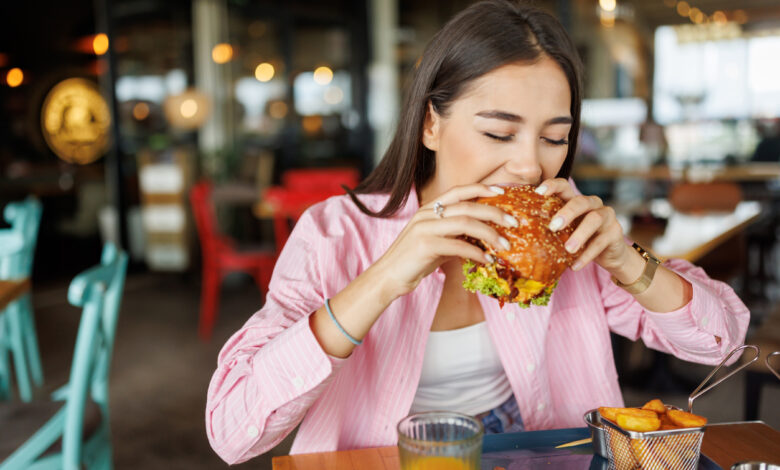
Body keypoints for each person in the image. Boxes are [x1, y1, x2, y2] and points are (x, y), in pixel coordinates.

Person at [205, 0, 749, 464]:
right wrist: (387, 275)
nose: (530, 167)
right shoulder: (332, 233)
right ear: (430, 124)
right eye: (498, 132)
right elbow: (233, 432)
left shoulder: (566, 237)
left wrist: (627, 261)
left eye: (554, 139)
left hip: (536, 450)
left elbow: (720, 342)